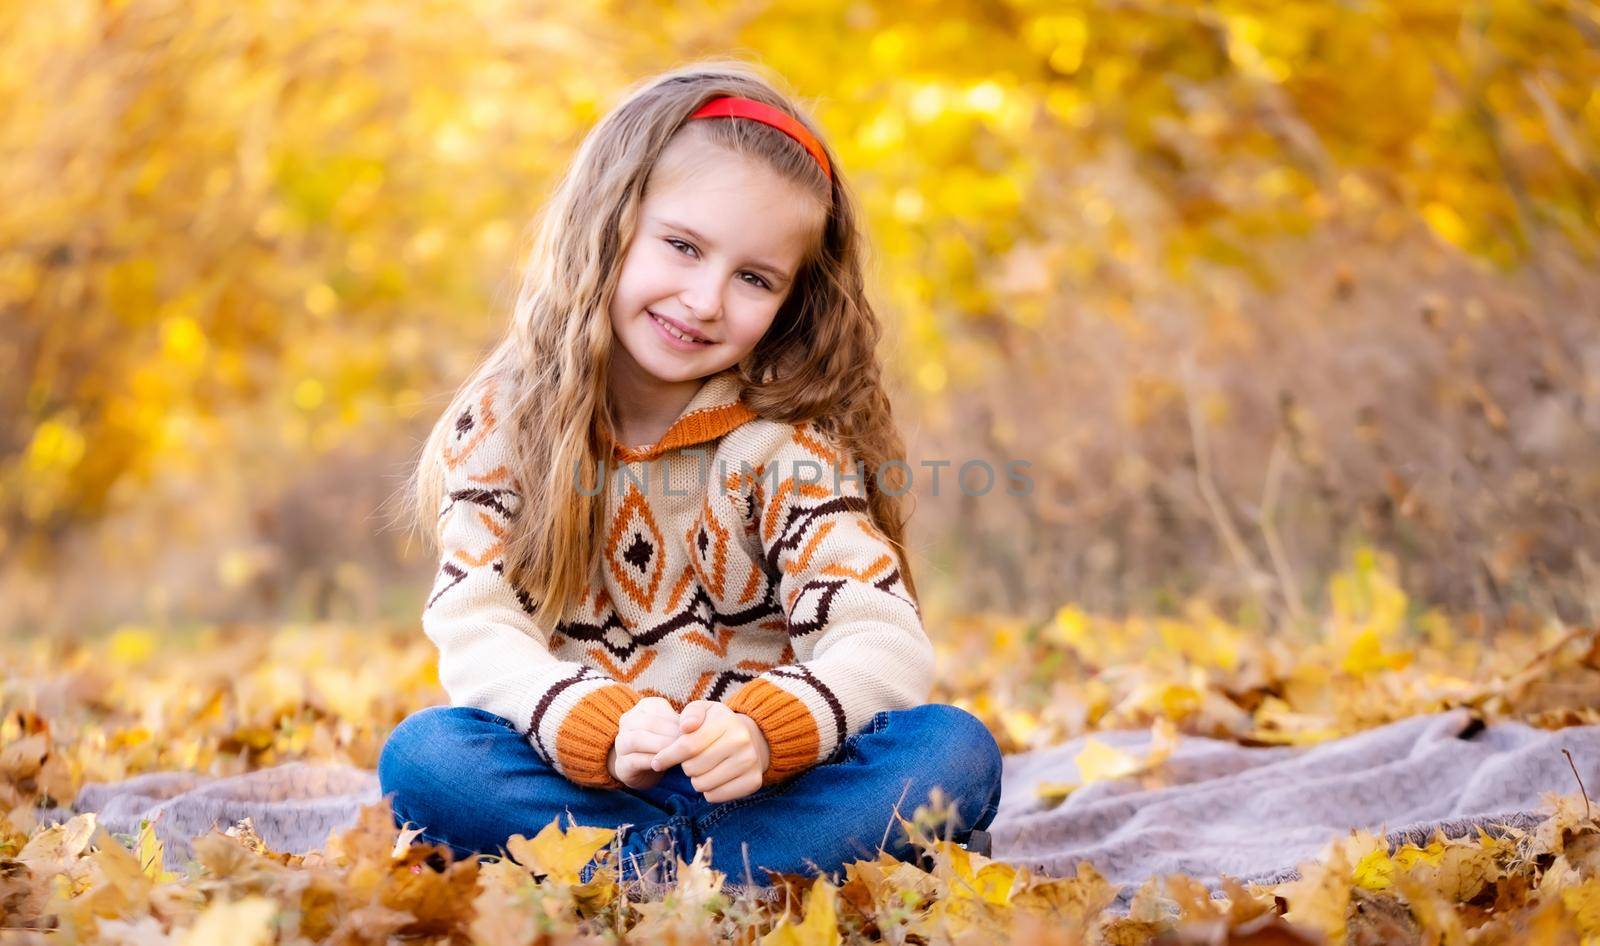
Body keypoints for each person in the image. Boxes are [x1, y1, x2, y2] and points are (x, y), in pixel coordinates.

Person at [377, 60, 1002, 893]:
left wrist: (761, 731)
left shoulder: (785, 444)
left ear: (792, 299)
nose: (705, 299)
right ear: (610, 224)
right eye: (682, 246)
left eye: (754, 278)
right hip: (587, 784)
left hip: (771, 787)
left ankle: (647, 880)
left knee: (954, 751)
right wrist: (592, 726)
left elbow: (880, 636)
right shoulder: (505, 422)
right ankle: (737, 878)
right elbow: (477, 626)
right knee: (426, 758)